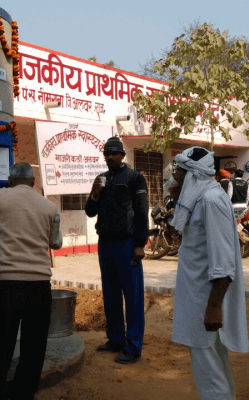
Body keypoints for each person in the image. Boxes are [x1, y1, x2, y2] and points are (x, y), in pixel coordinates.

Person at [0, 162, 62, 400]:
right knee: (33, 351)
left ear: (11, 181)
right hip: (40, 287)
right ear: (33, 182)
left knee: (0, 349)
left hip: (8, 286)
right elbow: (56, 243)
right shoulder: (50, 208)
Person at [171, 147, 248, 400]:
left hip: (205, 303)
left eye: (179, 173)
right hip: (199, 301)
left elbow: (223, 261)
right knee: (215, 369)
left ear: (192, 174)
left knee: (210, 378)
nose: (175, 177)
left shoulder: (210, 200)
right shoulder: (202, 197)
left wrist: (214, 307)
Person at [85, 136, 149, 364]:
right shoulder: (100, 179)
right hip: (106, 244)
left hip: (127, 244)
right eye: (106, 154)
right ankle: (115, 339)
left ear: (123, 155)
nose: (110, 157)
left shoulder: (135, 178)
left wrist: (140, 244)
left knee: (132, 297)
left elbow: (142, 212)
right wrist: (94, 194)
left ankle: (133, 347)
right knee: (111, 295)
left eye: (114, 153)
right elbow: (90, 212)